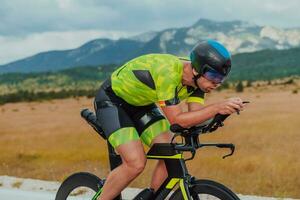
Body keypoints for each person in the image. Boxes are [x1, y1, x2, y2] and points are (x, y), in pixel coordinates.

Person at [94, 39, 245, 200]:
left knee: (170, 152)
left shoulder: (200, 84)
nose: (217, 83)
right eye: (213, 76)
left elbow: (195, 116)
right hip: (112, 101)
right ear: (196, 70)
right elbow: (177, 121)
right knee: (135, 163)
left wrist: (221, 114)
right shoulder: (168, 73)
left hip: (142, 104)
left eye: (221, 78)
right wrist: (216, 107)